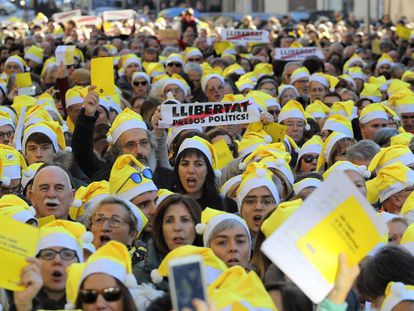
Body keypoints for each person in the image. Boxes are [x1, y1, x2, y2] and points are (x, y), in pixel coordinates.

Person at [172, 136, 237, 212]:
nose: (191, 170)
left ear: (208, 170)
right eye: (185, 164)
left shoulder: (227, 206)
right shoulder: (168, 205)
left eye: (198, 164)